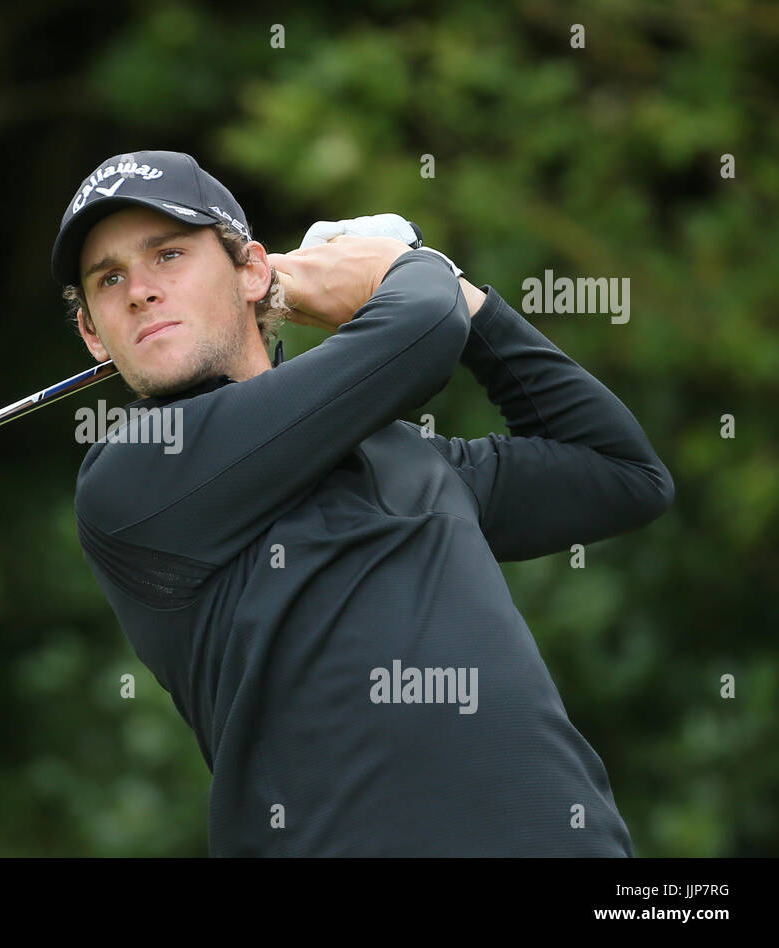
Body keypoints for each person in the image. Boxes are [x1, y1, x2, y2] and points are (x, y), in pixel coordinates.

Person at [50, 149, 674, 856]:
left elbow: (621, 473)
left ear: (253, 271)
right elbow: (422, 329)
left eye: (167, 254)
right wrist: (406, 268)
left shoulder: (407, 455)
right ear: (93, 334)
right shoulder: (132, 478)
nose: (139, 290)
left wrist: (466, 295)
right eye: (109, 279)